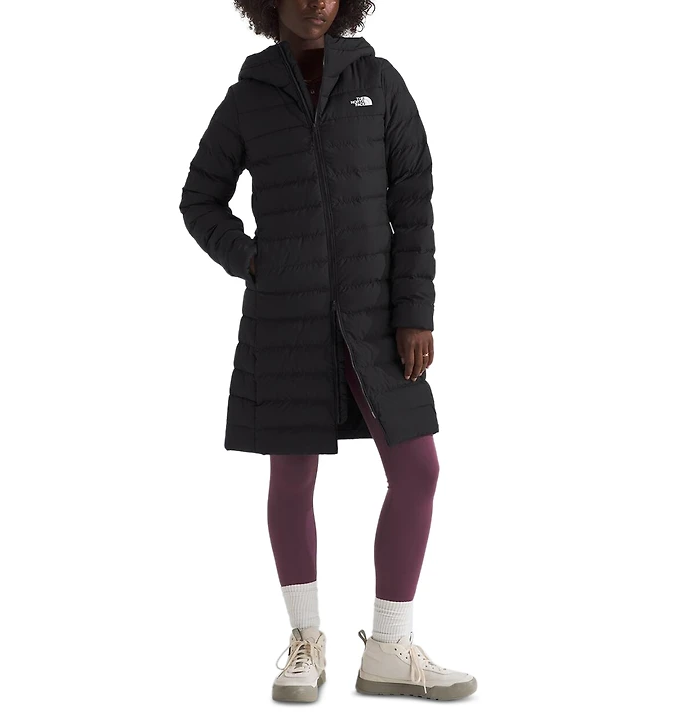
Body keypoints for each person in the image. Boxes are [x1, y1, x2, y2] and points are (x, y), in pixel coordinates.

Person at [180, 0, 477, 703]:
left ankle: (390, 648)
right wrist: (254, 261)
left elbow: (414, 199)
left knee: (417, 469)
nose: (317, 2)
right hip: (287, 315)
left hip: (377, 317)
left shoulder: (380, 81)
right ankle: (305, 643)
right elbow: (199, 200)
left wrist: (415, 313)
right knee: (292, 476)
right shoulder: (249, 97)